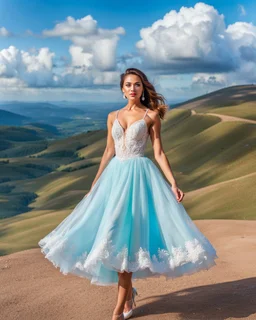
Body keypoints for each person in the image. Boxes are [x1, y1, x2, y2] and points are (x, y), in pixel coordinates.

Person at [38, 68, 218, 320]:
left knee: (126, 247)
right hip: (114, 179)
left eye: (137, 85)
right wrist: (95, 183)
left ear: (143, 89)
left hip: (139, 180)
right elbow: (108, 151)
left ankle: (117, 311)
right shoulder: (112, 116)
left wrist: (173, 183)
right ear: (122, 90)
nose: (133, 89)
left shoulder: (151, 115)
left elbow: (158, 153)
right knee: (109, 237)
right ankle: (128, 293)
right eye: (128, 85)